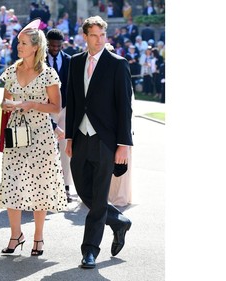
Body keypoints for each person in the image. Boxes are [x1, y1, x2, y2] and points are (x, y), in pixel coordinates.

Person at [65, 16, 133, 269]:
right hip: (80, 138)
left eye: (102, 35)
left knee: (98, 195)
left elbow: (124, 107)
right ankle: (117, 220)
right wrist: (70, 136)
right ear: (85, 36)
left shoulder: (118, 64)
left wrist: (123, 144)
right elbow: (72, 102)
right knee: (84, 190)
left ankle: (90, 250)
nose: (99, 39)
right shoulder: (75, 62)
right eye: (94, 35)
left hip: (106, 140)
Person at [0, 18, 67, 257]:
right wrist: (7, 106)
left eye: (24, 43)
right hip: (15, 134)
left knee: (40, 185)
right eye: (18, 43)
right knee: (12, 183)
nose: (19, 47)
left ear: (35, 46)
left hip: (41, 136)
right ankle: (16, 235)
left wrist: (31, 104)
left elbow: (56, 107)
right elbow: (3, 102)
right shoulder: (11, 71)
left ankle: (38, 236)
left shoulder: (48, 74)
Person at [45, 28, 74, 203]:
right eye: (52, 45)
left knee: (65, 149)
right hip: (47, 109)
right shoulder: (39, 60)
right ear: (47, 43)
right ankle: (48, 187)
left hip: (66, 110)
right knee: (47, 148)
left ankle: (66, 188)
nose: (55, 48)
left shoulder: (70, 60)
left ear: (62, 44)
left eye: (58, 46)